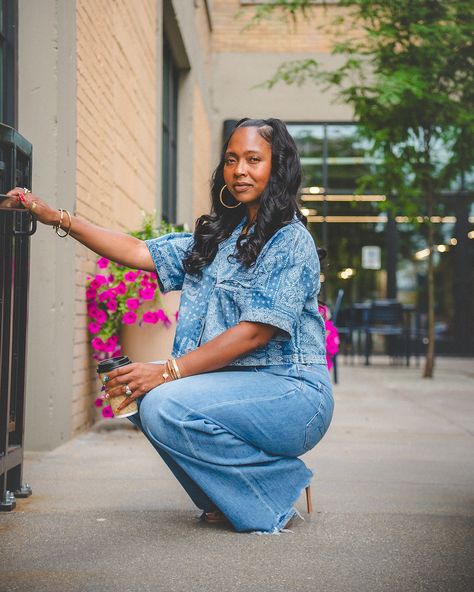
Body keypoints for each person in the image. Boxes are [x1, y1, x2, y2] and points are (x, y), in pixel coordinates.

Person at [5, 117, 334, 533]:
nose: (240, 171)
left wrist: (166, 371)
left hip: (293, 392)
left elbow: (256, 331)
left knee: (162, 398)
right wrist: (56, 217)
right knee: (135, 394)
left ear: (278, 166)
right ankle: (238, 494)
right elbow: (139, 251)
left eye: (254, 159)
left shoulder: (289, 239)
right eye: (232, 160)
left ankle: (269, 490)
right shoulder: (221, 239)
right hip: (237, 390)